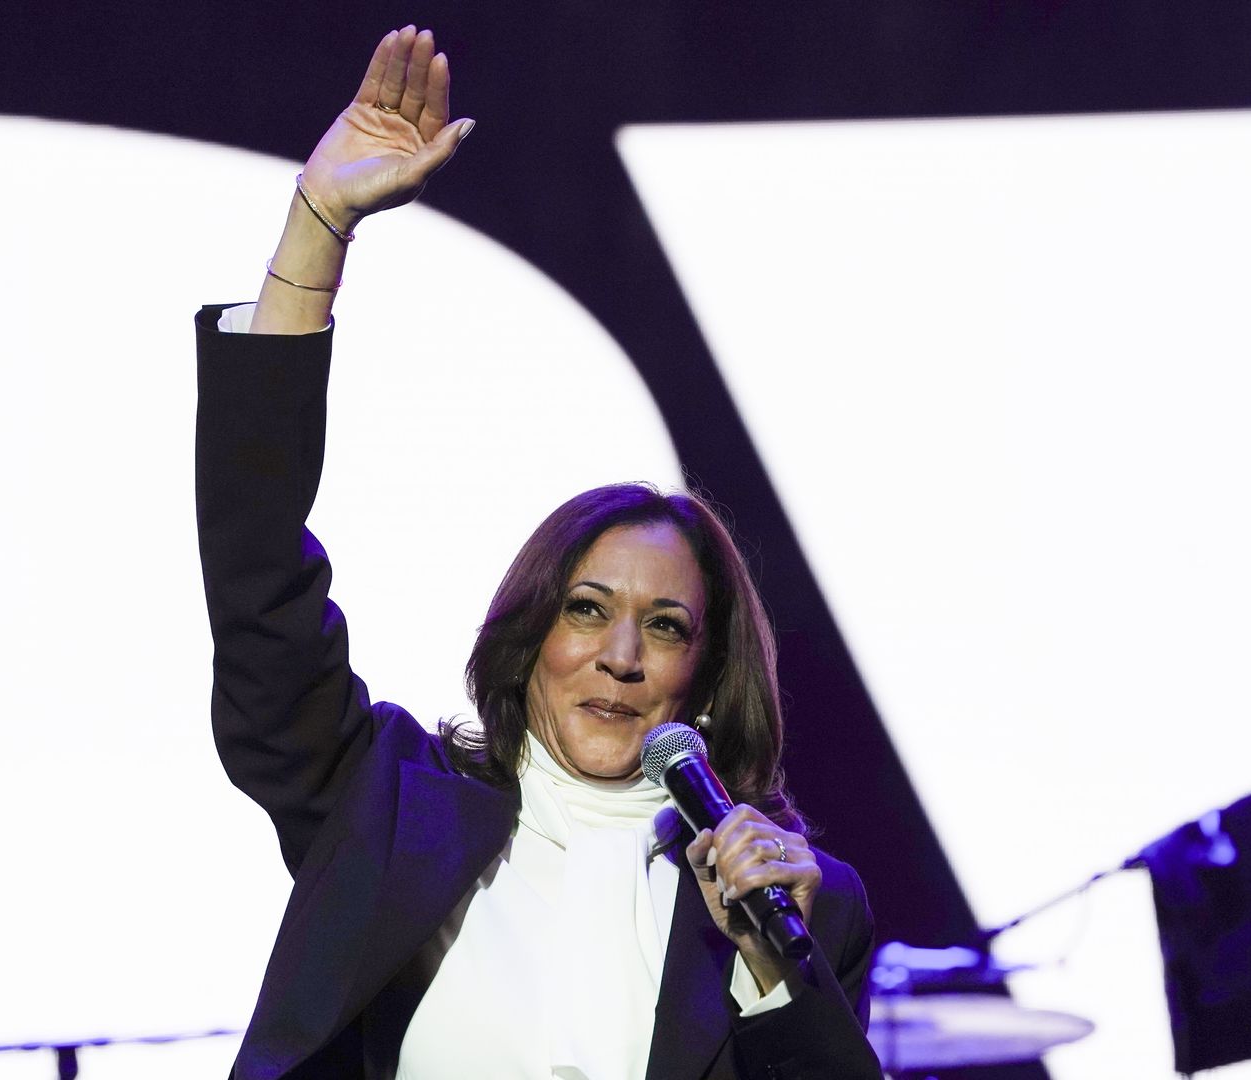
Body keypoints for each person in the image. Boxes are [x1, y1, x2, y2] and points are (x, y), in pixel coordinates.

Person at [195, 26, 882, 1080]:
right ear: (529, 641)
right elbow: (256, 572)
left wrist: (767, 967)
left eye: (665, 627)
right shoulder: (385, 801)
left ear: (706, 672)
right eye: (585, 609)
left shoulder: (797, 901)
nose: (620, 657)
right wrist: (318, 229)